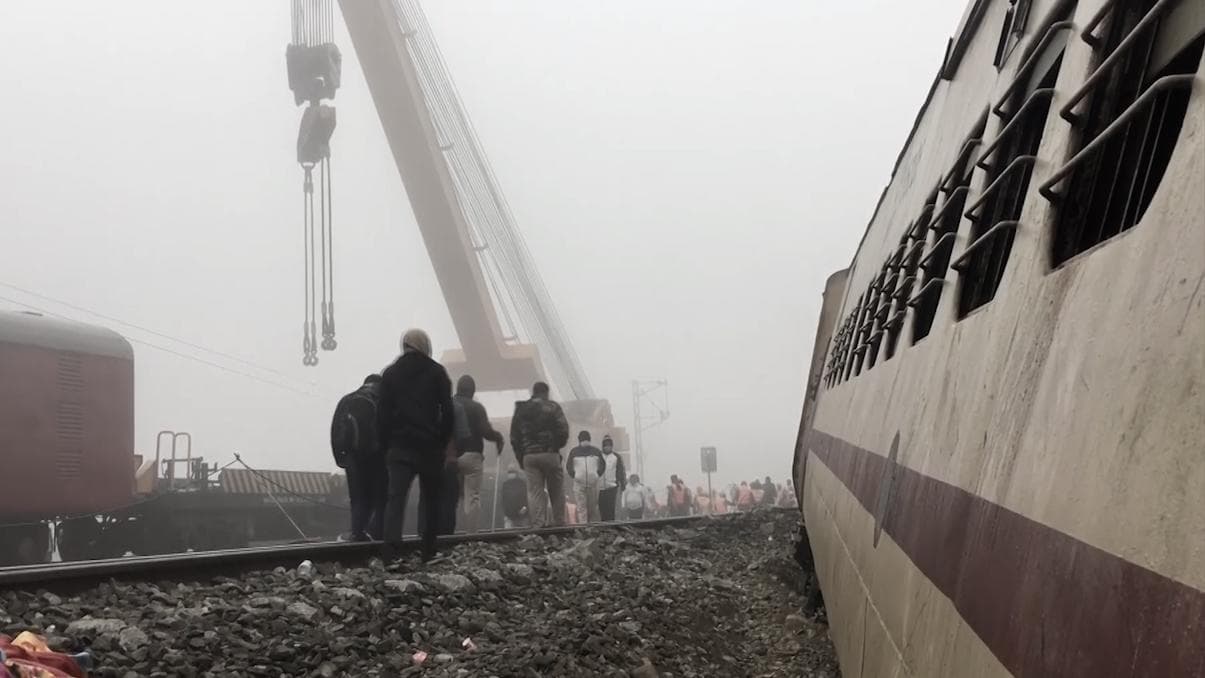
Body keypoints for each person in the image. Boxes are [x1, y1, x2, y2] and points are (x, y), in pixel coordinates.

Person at [378, 328, 454, 562]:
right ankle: (428, 551)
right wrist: (442, 441)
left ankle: (391, 553)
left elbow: (382, 414)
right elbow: (448, 412)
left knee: (396, 500)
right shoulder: (437, 372)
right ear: (425, 345)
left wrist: (386, 445)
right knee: (431, 500)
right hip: (429, 446)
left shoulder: (390, 373)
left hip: (399, 446)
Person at [330, 374, 386, 541]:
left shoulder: (347, 400)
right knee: (379, 498)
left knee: (357, 497)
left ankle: (357, 533)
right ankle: (377, 535)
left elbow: (335, 430)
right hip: (377, 458)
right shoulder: (381, 401)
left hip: (352, 456)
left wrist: (339, 458)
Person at [510, 381, 570, 527]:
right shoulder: (553, 407)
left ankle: (538, 524)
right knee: (556, 490)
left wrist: (521, 458)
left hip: (529, 456)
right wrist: (555, 447)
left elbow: (514, 438)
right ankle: (559, 522)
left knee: (534, 492)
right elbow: (563, 431)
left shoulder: (521, 410)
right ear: (546, 393)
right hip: (550, 453)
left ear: (534, 392)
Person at [452, 375, 504, 532]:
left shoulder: (448, 405)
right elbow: (486, 431)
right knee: (472, 496)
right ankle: (470, 535)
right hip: (472, 456)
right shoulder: (476, 408)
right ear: (472, 391)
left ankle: (449, 532)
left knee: (450, 496)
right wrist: (498, 438)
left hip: (451, 456)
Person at [566, 431, 605, 524]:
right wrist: (576, 476)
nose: (585, 441)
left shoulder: (595, 451)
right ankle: (586, 527)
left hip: (591, 483)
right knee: (583, 508)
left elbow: (602, 465)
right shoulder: (575, 452)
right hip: (581, 484)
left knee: (587, 508)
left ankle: (587, 527)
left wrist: (596, 475)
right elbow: (569, 466)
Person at [597, 435, 625, 522]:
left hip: (612, 487)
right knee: (602, 509)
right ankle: (603, 525)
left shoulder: (616, 457)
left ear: (612, 446)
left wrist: (622, 483)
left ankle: (611, 525)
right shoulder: (598, 456)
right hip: (600, 487)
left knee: (611, 508)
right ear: (603, 446)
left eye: (609, 445)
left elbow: (621, 471)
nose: (607, 447)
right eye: (605, 445)